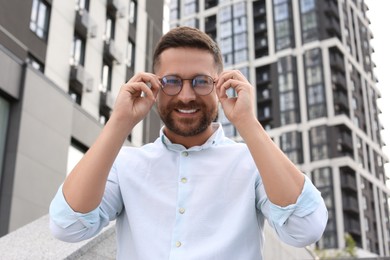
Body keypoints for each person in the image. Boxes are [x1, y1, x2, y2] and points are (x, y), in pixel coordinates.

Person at [50, 26, 328, 259]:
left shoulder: (252, 163)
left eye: (200, 81)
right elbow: (67, 225)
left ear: (220, 86)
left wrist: (247, 123)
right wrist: (119, 122)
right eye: (171, 81)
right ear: (154, 87)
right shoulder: (125, 164)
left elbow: (306, 228)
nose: (185, 96)